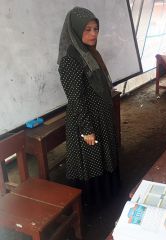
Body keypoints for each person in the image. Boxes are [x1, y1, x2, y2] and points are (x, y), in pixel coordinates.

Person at [57, 7, 120, 207]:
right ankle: (94, 205)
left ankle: (109, 196)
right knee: (91, 162)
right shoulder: (70, 60)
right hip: (87, 122)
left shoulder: (90, 53)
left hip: (100, 117)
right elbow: (76, 98)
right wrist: (87, 130)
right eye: (87, 30)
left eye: (95, 29)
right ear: (75, 30)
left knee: (103, 157)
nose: (93, 34)